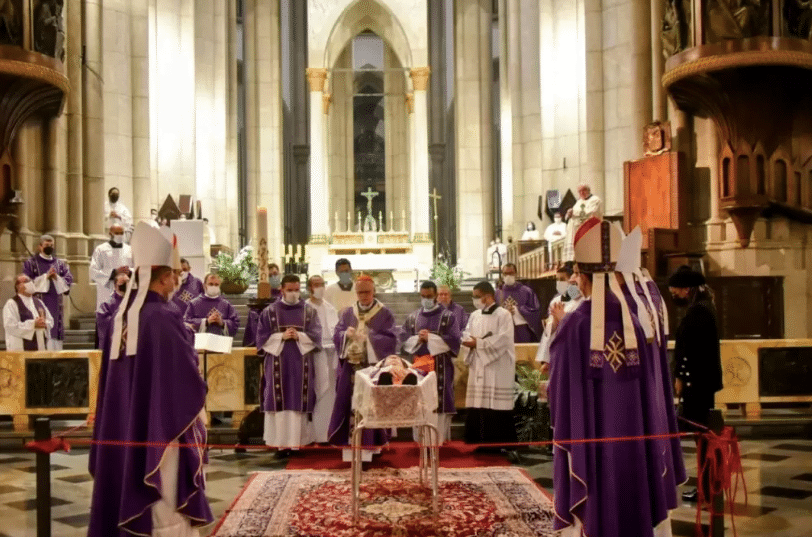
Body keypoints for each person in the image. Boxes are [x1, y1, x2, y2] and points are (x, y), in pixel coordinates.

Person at [549, 217, 674, 537]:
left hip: (589, 454)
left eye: (577, 273)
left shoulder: (574, 325)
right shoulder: (636, 321)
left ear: (585, 277)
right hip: (632, 447)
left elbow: (559, 398)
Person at [89, 222, 212, 537]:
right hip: (160, 425)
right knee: (164, 492)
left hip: (122, 423)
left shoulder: (119, 319)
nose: (177, 281)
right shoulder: (163, 317)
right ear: (165, 277)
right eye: (174, 275)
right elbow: (185, 374)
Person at [328, 275, 397, 462]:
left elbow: (392, 339)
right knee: (350, 405)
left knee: (371, 406)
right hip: (351, 368)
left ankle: (372, 448)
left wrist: (370, 338)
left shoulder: (384, 313)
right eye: (360, 292)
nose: (364, 296)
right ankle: (351, 448)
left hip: (373, 369)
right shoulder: (348, 312)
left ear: (374, 291)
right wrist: (345, 335)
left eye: (367, 292)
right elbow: (337, 333)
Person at [669, 264, 723, 502]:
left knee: (703, 439)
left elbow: (692, 351)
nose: (674, 295)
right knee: (702, 438)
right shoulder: (702, 307)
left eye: (676, 291)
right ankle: (707, 486)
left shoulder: (699, 312)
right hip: (700, 384)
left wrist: (681, 378)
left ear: (687, 289)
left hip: (697, 385)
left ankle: (708, 487)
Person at [256, 274, 322, 458]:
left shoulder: (309, 311)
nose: (294, 293)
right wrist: (281, 337)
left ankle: (299, 443)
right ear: (282, 290)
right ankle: (279, 445)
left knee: (297, 400)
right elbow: (260, 338)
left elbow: (316, 335)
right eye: (290, 290)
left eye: (296, 289)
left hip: (301, 364)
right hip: (277, 363)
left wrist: (299, 336)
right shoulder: (269, 312)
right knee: (280, 400)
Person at [400, 280, 461, 444]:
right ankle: (420, 440)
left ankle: (438, 440)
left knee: (437, 402)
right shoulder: (413, 317)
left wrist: (431, 338)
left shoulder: (448, 317)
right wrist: (418, 338)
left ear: (435, 296)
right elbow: (403, 339)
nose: (426, 299)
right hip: (419, 366)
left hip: (440, 368)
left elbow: (455, 340)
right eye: (423, 296)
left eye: (429, 296)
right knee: (420, 401)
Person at [462, 281, 517, 453]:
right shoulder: (475, 315)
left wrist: (478, 343)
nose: (475, 300)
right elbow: (466, 333)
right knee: (479, 403)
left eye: (477, 296)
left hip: (497, 366)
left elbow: (504, 340)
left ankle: (500, 444)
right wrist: (470, 342)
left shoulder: (503, 315)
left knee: (496, 405)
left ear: (488, 296)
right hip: (479, 364)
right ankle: (481, 442)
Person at [22, 234, 73, 350]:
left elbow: (69, 279)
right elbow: (26, 283)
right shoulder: (31, 263)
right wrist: (45, 277)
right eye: (46, 245)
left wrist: (56, 278)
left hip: (56, 305)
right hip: (38, 305)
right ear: (40, 246)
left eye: (52, 245)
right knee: (41, 338)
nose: (49, 247)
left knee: (54, 338)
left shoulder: (60, 264)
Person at [306, 274, 339, 443]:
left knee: (330, 392)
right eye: (316, 284)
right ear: (309, 287)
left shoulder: (329, 307)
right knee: (318, 390)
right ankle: (315, 434)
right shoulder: (305, 307)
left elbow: (335, 330)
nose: (320, 288)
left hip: (331, 353)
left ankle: (328, 432)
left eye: (322, 284)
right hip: (314, 354)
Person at [535, 263, 583, 374]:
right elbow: (549, 334)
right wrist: (546, 359)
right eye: (558, 279)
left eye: (562, 279)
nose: (560, 282)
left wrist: (563, 318)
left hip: (572, 353)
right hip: (557, 352)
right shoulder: (556, 301)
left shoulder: (584, 300)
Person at [89, 223, 133, 313]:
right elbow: (93, 271)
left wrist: (129, 272)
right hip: (107, 291)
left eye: (122, 233)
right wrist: (114, 273)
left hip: (125, 290)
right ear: (110, 234)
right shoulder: (100, 249)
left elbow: (136, 268)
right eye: (117, 233)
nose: (120, 236)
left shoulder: (129, 249)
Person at [3, 274, 53, 351]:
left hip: (40, 347)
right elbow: (10, 326)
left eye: (30, 281)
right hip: (21, 348)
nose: (30, 283)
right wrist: (33, 324)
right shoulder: (12, 303)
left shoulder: (39, 302)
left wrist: (45, 323)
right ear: (18, 286)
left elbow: (51, 321)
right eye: (26, 281)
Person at [496, 263, 541, 343]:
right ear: (502, 275)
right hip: (503, 331)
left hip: (522, 331)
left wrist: (517, 310)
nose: (508, 276)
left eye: (511, 273)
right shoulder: (498, 293)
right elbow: (493, 313)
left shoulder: (526, 291)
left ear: (516, 274)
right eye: (506, 273)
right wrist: (504, 313)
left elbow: (535, 311)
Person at [563, 184, 602, 261]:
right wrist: (569, 213)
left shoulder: (595, 200)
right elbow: (573, 214)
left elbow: (591, 212)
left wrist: (573, 212)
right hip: (577, 230)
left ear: (588, 190)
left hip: (590, 229)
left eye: (583, 190)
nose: (581, 193)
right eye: (579, 191)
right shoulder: (579, 202)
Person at [96, 272, 129, 355]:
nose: (125, 286)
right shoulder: (107, 304)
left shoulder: (134, 301)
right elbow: (103, 321)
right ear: (115, 286)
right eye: (122, 283)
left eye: (127, 283)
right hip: (114, 345)